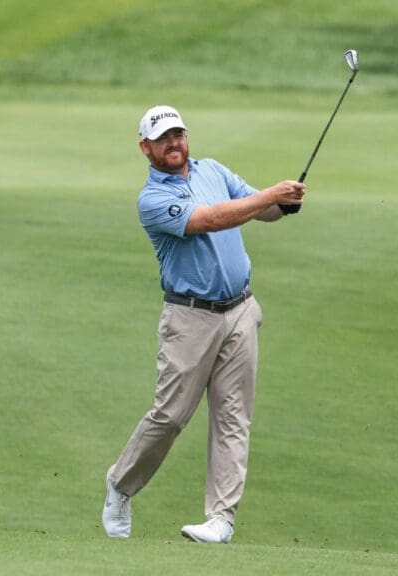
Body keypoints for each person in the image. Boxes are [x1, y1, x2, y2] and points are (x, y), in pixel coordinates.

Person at [102, 105, 305, 543]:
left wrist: (283, 204)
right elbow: (210, 220)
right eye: (163, 139)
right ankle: (121, 485)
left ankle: (221, 519)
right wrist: (270, 194)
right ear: (146, 148)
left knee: (233, 417)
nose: (174, 143)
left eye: (178, 134)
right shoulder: (152, 199)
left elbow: (257, 210)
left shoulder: (213, 170)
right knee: (171, 415)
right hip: (190, 317)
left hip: (240, 311)